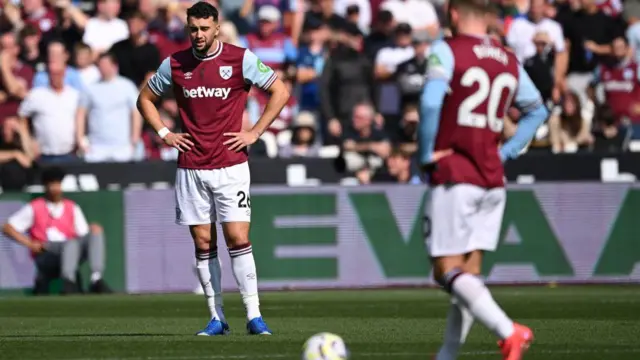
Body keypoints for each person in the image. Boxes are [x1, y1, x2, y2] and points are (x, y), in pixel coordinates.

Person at [136, 1, 289, 336]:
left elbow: (280, 90)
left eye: (205, 29)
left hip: (231, 164)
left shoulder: (240, 58)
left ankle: (254, 314)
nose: (199, 35)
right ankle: (217, 316)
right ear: (188, 28)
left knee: (237, 236)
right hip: (191, 166)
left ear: (217, 28)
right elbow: (144, 99)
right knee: (203, 243)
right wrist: (164, 133)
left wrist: (255, 132)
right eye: (193, 29)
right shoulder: (175, 63)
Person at [418, 0, 549, 358]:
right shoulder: (508, 58)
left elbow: (431, 104)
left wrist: (426, 154)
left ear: (455, 14)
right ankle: (447, 354)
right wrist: (505, 152)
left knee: (445, 269)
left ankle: (510, 331)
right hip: (492, 177)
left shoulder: (447, 50)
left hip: (456, 174)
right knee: (468, 276)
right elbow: (538, 111)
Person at [2, 167, 112, 295]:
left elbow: (82, 234)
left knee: (94, 233)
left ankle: (96, 278)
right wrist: (30, 243)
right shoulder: (35, 207)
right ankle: (68, 281)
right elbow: (7, 227)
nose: (55, 188)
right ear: (45, 186)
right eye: (51, 184)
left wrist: (92, 231)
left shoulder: (71, 207)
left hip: (71, 252)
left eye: (57, 184)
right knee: (71, 243)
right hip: (46, 252)